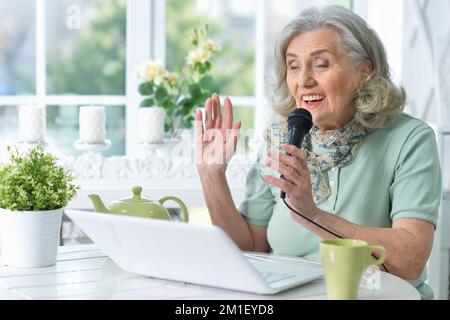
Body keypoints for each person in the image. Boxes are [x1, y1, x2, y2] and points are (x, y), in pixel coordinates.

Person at [195, 5, 442, 300]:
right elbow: (250, 250)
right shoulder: (279, 141)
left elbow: (411, 258)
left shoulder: (409, 139)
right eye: (294, 65)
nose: (304, 80)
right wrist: (211, 175)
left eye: (321, 64)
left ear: (364, 72)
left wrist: (311, 214)